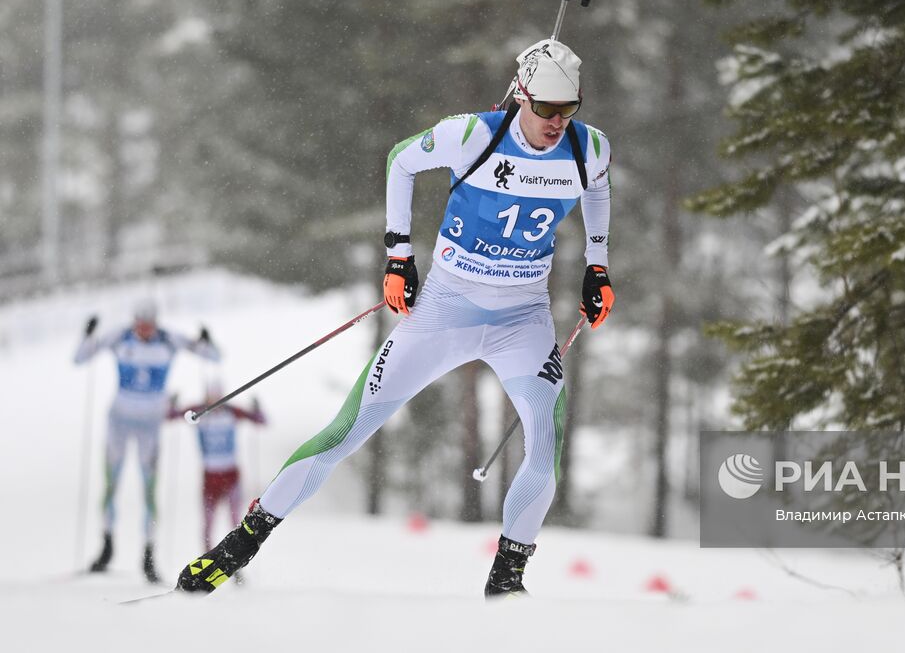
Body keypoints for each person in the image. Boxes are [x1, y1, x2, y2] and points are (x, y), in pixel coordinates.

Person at [175, 39, 614, 599]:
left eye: (568, 109)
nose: (557, 123)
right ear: (520, 95)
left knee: (543, 447)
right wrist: (398, 255)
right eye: (546, 109)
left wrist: (597, 268)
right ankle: (238, 547)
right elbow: (401, 160)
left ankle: (507, 582)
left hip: (522, 320)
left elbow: (599, 188)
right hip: (444, 313)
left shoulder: (588, 148)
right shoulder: (474, 135)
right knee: (346, 431)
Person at [74, 302, 220, 582]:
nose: (143, 329)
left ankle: (148, 554)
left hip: (151, 425)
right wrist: (87, 334)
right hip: (119, 420)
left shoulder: (168, 339)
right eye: (139, 323)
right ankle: (106, 546)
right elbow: (81, 358)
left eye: (148, 323)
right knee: (111, 483)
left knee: (149, 489)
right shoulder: (120, 336)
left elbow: (212, 357)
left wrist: (206, 340)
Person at [167, 384, 266, 548]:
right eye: (211, 397)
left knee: (236, 521)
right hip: (210, 476)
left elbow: (260, 420)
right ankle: (207, 558)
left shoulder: (231, 412)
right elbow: (171, 416)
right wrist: (172, 404)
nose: (215, 401)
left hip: (231, 475)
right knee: (208, 523)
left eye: (218, 397)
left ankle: (236, 559)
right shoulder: (198, 412)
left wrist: (257, 409)